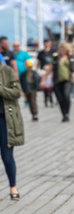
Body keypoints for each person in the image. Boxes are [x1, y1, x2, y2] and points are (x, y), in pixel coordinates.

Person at [42, 42, 74, 122]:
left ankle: (67, 113)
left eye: (64, 49)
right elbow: (50, 69)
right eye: (61, 49)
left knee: (66, 95)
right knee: (60, 98)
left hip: (67, 80)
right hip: (57, 80)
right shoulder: (55, 58)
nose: (62, 50)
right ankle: (64, 114)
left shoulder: (70, 57)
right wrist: (43, 79)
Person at [0, 58, 23, 200]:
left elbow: (17, 92)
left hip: (5, 121)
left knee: (7, 156)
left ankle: (13, 186)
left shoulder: (7, 71)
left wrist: (0, 89)